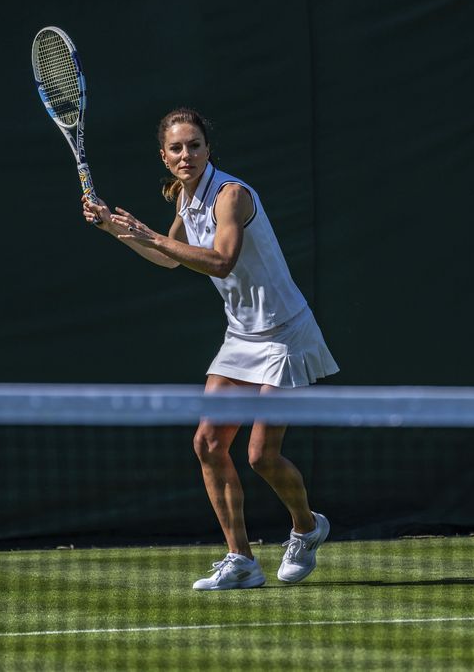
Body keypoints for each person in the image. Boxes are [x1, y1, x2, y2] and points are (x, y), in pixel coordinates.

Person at [82, 108, 339, 591]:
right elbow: (167, 258)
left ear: (207, 149)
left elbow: (221, 262)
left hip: (284, 332)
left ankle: (307, 526)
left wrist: (148, 232)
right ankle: (241, 560)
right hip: (241, 335)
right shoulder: (184, 197)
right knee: (208, 444)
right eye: (176, 148)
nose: (186, 155)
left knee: (262, 456)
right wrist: (113, 228)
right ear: (164, 155)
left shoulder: (231, 195)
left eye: (194, 145)